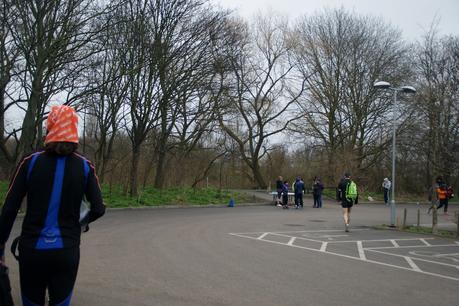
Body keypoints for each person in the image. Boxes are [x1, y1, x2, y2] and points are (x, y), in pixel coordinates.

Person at [0, 105, 105, 306]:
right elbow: (98, 208)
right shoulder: (85, 165)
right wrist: (80, 223)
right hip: (66, 250)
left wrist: (0, 242)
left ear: (50, 128)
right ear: (74, 130)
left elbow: (10, 208)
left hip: (33, 250)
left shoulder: (29, 161)